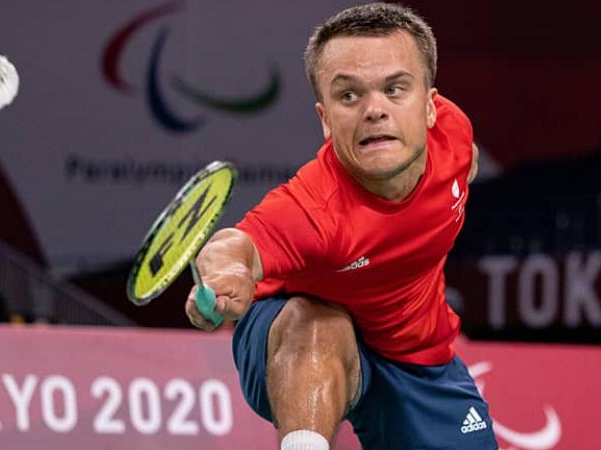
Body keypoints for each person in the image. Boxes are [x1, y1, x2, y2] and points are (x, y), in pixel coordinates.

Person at [186, 4, 497, 449]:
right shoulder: (315, 207)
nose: (375, 110)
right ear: (325, 119)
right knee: (319, 323)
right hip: (295, 341)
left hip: (413, 353)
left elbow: (463, 170)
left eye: (395, 89)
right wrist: (226, 277)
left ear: (430, 107)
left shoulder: (455, 135)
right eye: (349, 96)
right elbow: (238, 246)